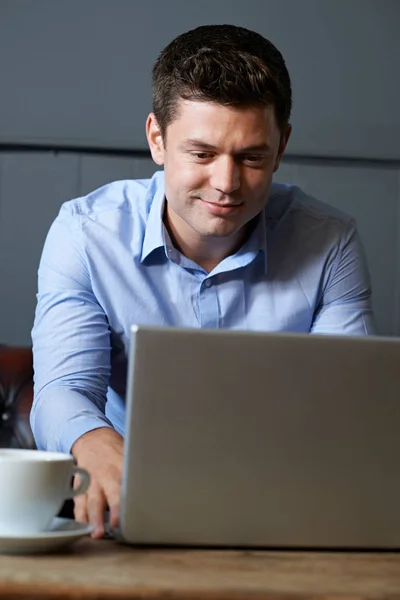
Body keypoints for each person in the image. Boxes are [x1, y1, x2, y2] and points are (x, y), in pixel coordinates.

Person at [31, 24, 375, 538]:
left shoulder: (331, 242)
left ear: (281, 147)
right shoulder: (84, 234)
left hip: (284, 513)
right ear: (157, 139)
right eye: (202, 153)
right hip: (128, 514)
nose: (226, 183)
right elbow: (63, 390)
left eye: (252, 157)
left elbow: (347, 409)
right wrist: (97, 442)